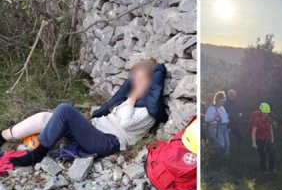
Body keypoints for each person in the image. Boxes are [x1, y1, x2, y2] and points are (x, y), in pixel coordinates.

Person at [1, 59, 166, 166]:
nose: (135, 82)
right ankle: (3, 136)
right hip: (93, 131)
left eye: (140, 79)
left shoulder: (148, 111)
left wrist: (132, 98)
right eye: (134, 78)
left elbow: (125, 123)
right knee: (47, 117)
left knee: (65, 109)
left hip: (108, 141)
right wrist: (132, 97)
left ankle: (35, 155)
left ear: (150, 82)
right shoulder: (134, 100)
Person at [250, 102, 277, 174]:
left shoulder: (268, 119)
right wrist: (254, 143)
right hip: (259, 139)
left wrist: (272, 138)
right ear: (261, 112)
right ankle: (264, 169)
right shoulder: (257, 120)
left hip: (267, 138)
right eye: (265, 113)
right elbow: (253, 132)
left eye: (267, 113)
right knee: (262, 155)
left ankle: (272, 169)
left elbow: (270, 129)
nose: (266, 114)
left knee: (272, 152)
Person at [206, 91, 231, 155]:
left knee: (227, 146)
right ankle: (214, 152)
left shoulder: (222, 107)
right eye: (222, 101)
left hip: (225, 127)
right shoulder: (211, 108)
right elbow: (206, 119)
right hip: (216, 128)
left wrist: (227, 120)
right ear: (217, 100)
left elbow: (225, 116)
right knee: (222, 145)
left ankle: (225, 160)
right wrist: (214, 117)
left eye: (224, 101)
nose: (223, 103)